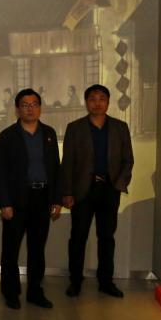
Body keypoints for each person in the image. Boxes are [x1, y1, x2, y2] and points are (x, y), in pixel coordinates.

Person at [61, 84, 134, 299]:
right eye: (92, 99)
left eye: (102, 98)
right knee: (78, 237)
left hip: (109, 189)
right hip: (83, 190)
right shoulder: (75, 128)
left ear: (108, 102)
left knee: (106, 237)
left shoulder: (120, 127)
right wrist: (67, 192)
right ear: (86, 102)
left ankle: (106, 281)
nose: (97, 103)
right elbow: (68, 163)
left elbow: (128, 160)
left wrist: (118, 184)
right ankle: (75, 281)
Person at [0, 89, 62, 309]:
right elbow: (0, 172)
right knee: (11, 249)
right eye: (25, 105)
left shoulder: (49, 133)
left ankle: (35, 291)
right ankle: (11, 292)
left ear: (40, 108)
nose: (30, 109)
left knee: (37, 249)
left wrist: (56, 199)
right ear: (17, 109)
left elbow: (55, 168)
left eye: (34, 104)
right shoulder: (7, 136)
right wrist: (4, 203)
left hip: (42, 197)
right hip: (16, 200)